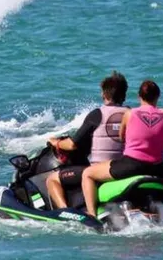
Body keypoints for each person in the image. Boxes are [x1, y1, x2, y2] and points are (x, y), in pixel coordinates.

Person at [80, 80, 163, 221]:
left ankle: (92, 215)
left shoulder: (130, 114)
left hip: (132, 166)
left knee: (87, 174)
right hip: (158, 170)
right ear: (158, 96)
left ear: (139, 96)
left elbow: (122, 138)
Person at [45, 71, 130, 209]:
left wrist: (57, 142)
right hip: (124, 169)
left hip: (99, 171)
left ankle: (66, 212)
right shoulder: (131, 114)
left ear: (104, 94)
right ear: (124, 95)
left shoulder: (97, 114)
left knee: (52, 179)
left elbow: (72, 145)